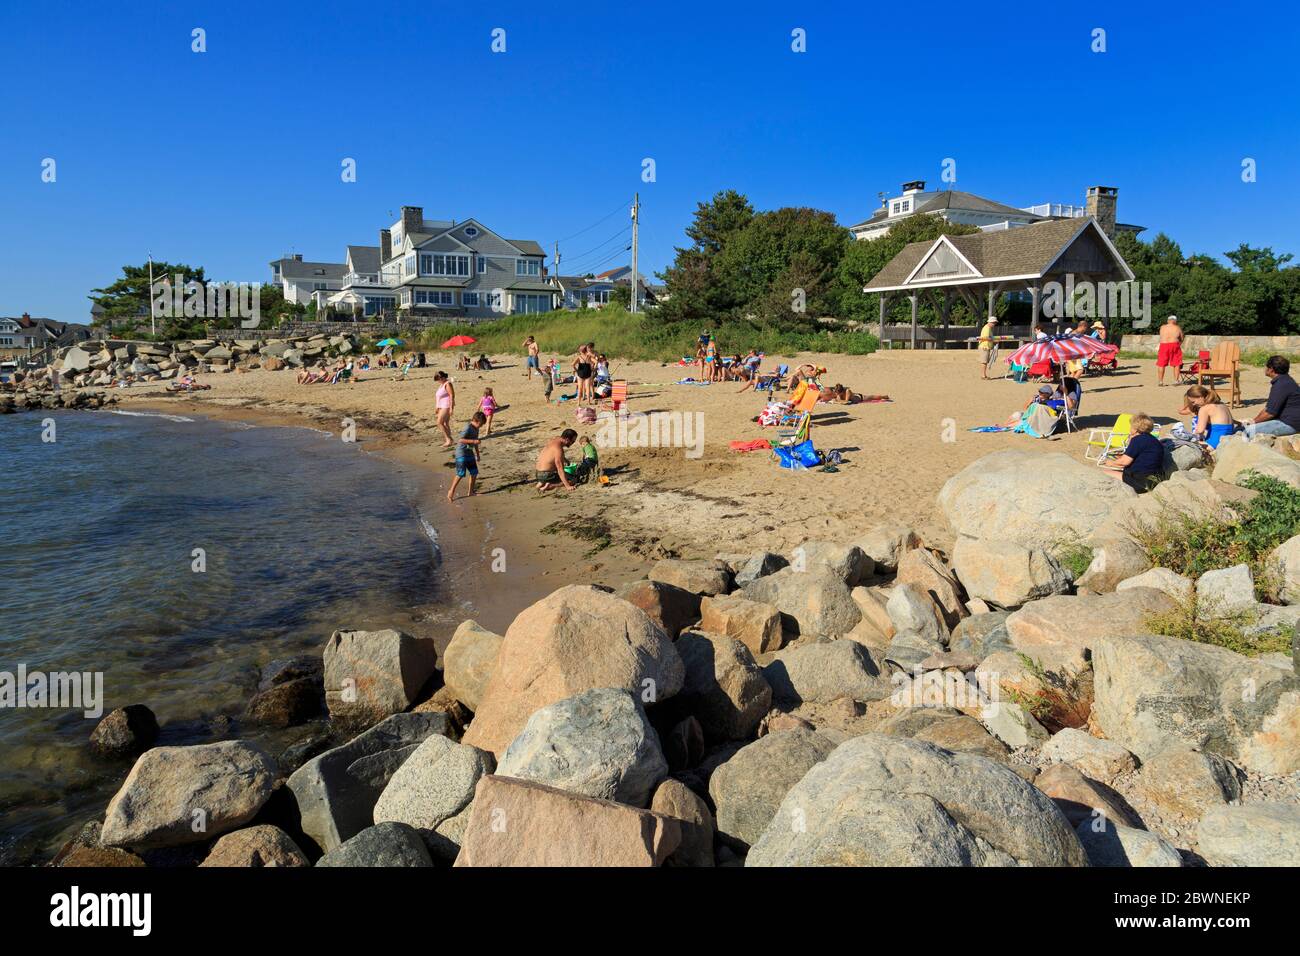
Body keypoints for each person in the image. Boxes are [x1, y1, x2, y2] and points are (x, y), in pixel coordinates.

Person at [1103, 413, 1164, 492]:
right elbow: (1143, 458)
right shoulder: (1155, 441)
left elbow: (1124, 462)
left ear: (1135, 429)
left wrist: (1111, 463)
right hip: (1153, 481)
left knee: (1103, 473)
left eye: (1131, 426)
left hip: (1139, 482)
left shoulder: (1137, 440)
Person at [1245, 354, 1300, 438]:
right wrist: (1253, 421)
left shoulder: (1281, 384)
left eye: (1266, 366)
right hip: (1289, 420)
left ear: (1271, 369)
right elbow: (1268, 409)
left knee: (1245, 431)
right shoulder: (1285, 380)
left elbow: (1270, 413)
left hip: (1291, 423)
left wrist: (1252, 423)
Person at [447, 411, 485, 501]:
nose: (481, 426)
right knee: (460, 474)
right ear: (477, 421)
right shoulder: (468, 427)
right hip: (461, 453)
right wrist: (473, 441)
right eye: (481, 424)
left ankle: (471, 492)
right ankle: (451, 491)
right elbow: (460, 440)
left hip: (470, 453)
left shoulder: (476, 429)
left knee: (474, 472)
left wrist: (478, 454)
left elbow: (475, 441)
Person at [1156, 315, 1184, 386]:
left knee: (1161, 364)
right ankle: (1176, 381)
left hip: (1164, 345)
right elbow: (1182, 338)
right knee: (1176, 363)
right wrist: (1179, 343)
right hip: (1174, 344)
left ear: (1168, 320)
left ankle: (1160, 382)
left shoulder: (1162, 327)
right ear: (1174, 321)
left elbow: (1161, 336)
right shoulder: (1177, 327)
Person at [433, 371, 455, 447]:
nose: (438, 381)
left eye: (438, 379)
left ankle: (448, 440)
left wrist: (451, 408)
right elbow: (438, 397)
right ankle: (450, 439)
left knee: (439, 423)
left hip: (446, 405)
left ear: (442, 378)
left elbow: (452, 396)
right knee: (445, 423)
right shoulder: (441, 385)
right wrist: (437, 407)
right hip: (441, 406)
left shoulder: (447, 384)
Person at [977, 315, 999, 380]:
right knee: (984, 361)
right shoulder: (987, 328)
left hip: (986, 346)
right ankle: (983, 375)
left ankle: (984, 375)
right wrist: (994, 341)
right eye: (994, 323)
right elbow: (986, 338)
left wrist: (993, 342)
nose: (994, 324)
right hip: (984, 347)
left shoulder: (988, 328)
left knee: (985, 361)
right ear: (991, 322)